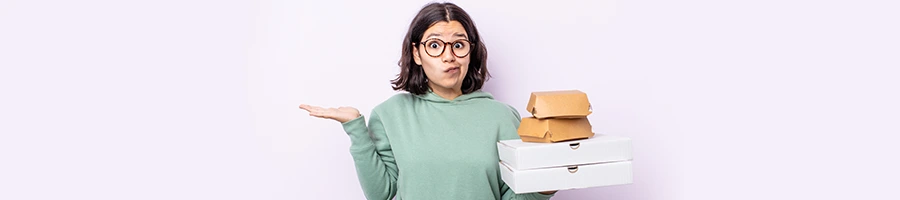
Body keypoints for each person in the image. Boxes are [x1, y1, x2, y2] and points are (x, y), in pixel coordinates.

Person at [299, 2, 556, 200]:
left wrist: (544, 188)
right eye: (435, 45)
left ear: (471, 52)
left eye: (458, 45)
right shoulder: (391, 114)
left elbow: (512, 195)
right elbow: (382, 194)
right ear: (417, 53)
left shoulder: (502, 116)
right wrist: (356, 127)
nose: (449, 56)